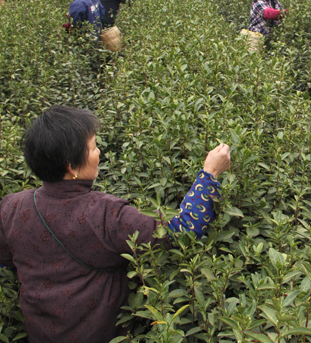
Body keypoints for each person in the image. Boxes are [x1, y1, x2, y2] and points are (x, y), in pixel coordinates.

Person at [0, 105, 230, 343]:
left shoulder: (12, 207)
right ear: (71, 166)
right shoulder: (106, 214)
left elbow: (6, 261)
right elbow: (182, 232)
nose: (99, 152)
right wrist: (209, 173)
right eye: (93, 147)